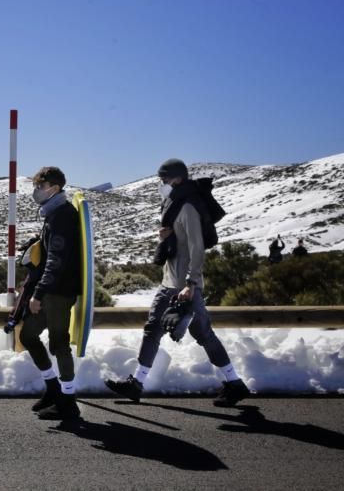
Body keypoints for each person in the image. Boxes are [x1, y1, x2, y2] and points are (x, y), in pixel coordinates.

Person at [104, 159, 250, 407]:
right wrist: (166, 237)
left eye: (164, 179)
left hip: (183, 284)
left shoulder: (189, 208)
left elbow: (197, 248)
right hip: (171, 280)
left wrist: (192, 284)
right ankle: (137, 384)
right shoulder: (174, 204)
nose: (161, 184)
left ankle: (233, 384)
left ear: (178, 179)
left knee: (195, 333)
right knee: (161, 329)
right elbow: (181, 241)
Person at [18, 166, 82, 421]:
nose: (35, 191)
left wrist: (38, 295)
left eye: (39, 187)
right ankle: (54, 388)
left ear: (54, 189)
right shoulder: (55, 214)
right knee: (28, 335)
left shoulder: (61, 216)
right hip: (53, 289)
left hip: (57, 292)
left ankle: (68, 402)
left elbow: (56, 261)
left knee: (59, 344)